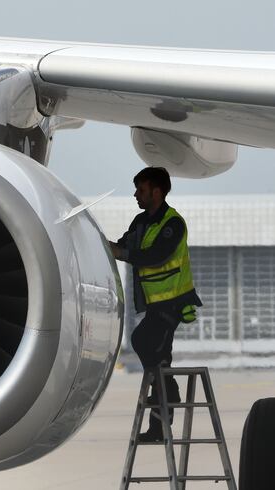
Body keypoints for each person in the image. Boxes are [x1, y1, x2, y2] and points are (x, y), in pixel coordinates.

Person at [109, 167, 202, 442]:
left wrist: (121, 252)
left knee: (145, 342)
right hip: (154, 303)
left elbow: (155, 256)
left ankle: (167, 394)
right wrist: (108, 246)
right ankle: (161, 417)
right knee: (157, 357)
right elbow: (125, 245)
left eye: (141, 190)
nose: (136, 195)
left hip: (172, 301)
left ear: (157, 192)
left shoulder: (173, 223)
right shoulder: (140, 221)